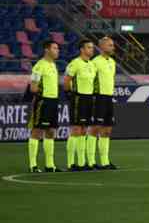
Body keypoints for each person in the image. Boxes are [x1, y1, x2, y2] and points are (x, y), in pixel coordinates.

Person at [27, 39, 61, 173]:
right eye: (55, 48)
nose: (57, 50)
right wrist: (41, 94)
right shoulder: (39, 66)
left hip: (53, 101)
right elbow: (33, 87)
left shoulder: (53, 65)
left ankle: (50, 165)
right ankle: (33, 165)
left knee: (51, 132)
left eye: (57, 48)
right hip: (43, 101)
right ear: (47, 50)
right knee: (37, 131)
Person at [64, 40, 97, 172]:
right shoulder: (75, 63)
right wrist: (69, 93)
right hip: (78, 97)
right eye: (89, 47)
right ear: (82, 50)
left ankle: (82, 162)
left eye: (92, 47)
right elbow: (67, 80)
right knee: (76, 129)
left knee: (84, 130)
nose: (92, 50)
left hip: (89, 98)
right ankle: (71, 163)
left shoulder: (92, 65)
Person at [91, 36, 118, 169]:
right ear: (101, 47)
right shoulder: (95, 62)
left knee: (107, 130)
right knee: (95, 128)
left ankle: (105, 161)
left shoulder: (112, 62)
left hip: (109, 97)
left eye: (112, 45)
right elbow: (91, 80)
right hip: (98, 97)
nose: (113, 47)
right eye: (110, 45)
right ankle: (90, 161)